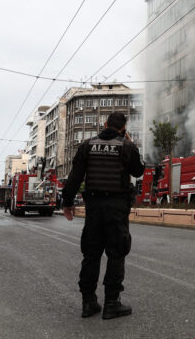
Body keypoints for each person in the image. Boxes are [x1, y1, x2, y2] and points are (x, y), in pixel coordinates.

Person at [62, 112, 144, 320]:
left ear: (105, 124)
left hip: (94, 207)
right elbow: (138, 171)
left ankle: (88, 303)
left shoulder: (87, 145)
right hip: (116, 208)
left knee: (91, 254)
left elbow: (74, 177)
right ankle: (111, 303)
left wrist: (67, 203)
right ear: (123, 128)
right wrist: (132, 144)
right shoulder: (127, 146)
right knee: (116, 253)